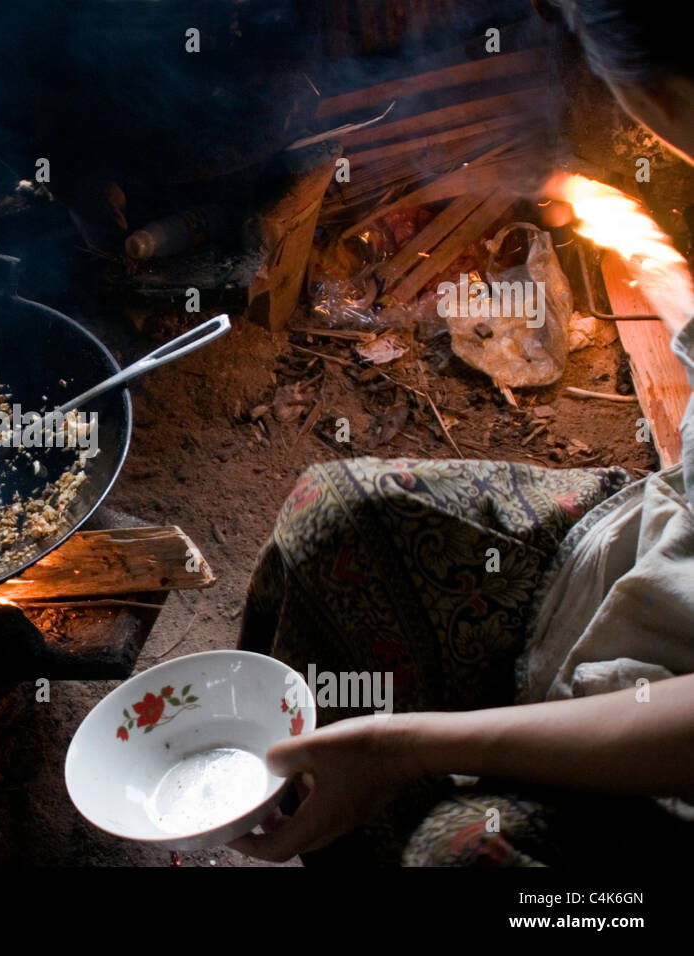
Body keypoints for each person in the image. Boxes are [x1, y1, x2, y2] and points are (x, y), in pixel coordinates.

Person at [231, 0, 694, 866]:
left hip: (659, 741)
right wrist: (662, 270)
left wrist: (418, 745)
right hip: (638, 554)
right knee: (334, 511)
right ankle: (292, 789)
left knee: (462, 854)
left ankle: (382, 797)